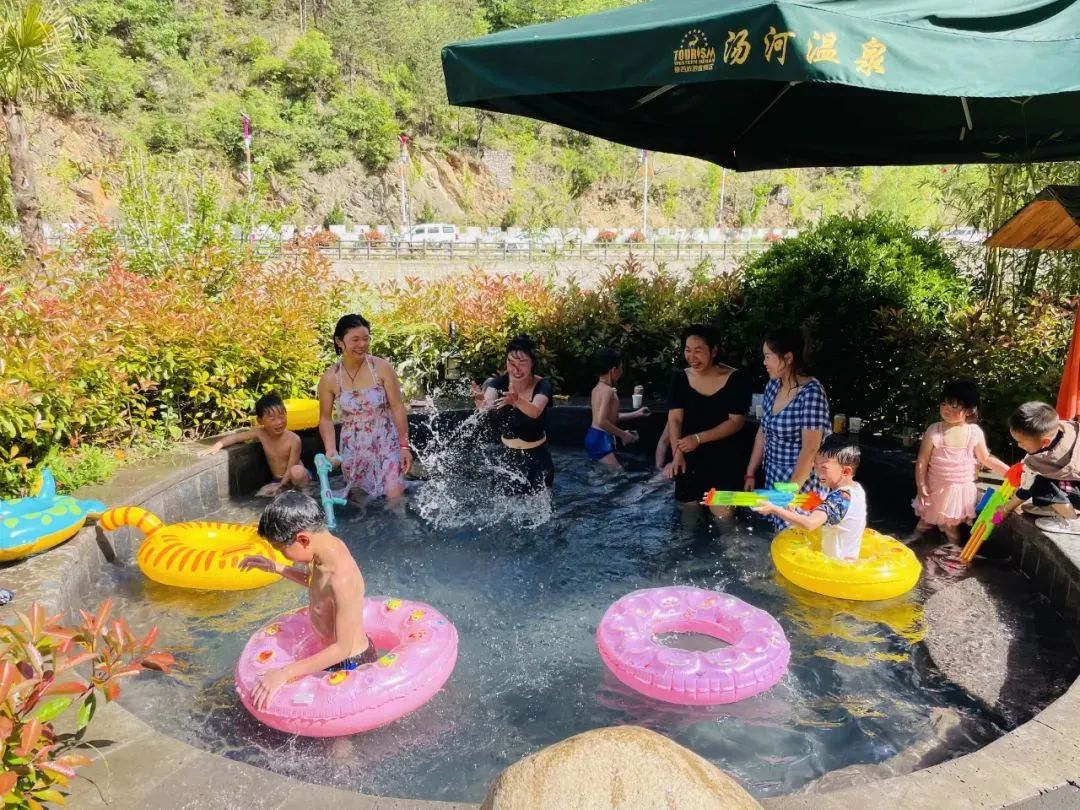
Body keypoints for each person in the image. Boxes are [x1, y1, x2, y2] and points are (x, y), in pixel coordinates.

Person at [239, 491, 377, 710]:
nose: (282, 555)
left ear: (303, 539)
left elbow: (342, 648)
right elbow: (316, 583)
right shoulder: (325, 550)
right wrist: (276, 567)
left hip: (349, 664)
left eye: (281, 550)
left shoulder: (342, 579)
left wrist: (284, 672)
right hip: (331, 655)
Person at [317, 314, 411, 502]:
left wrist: (404, 446)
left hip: (386, 440)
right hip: (353, 446)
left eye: (366, 338)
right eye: (355, 339)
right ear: (339, 341)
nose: (362, 344)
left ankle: (400, 520)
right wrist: (330, 449)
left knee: (395, 495)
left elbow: (398, 407)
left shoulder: (381, 368)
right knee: (360, 502)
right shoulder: (330, 378)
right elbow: (325, 419)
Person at [744, 328, 831, 527]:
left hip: (801, 484)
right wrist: (750, 471)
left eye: (768, 356)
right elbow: (763, 431)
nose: (764, 362)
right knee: (779, 536)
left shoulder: (811, 393)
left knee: (797, 537)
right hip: (774, 476)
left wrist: (790, 494)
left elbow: (810, 449)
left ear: (788, 358)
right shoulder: (773, 386)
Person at [664, 325, 752, 519]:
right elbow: (675, 419)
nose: (692, 357)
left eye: (698, 351)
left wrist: (698, 438)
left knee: (724, 517)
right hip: (689, 456)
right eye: (687, 350)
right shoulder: (680, 378)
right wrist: (677, 453)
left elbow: (736, 422)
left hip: (724, 458)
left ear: (714, 350)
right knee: (688, 515)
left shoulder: (736, 379)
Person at [913, 380, 1009, 542]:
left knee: (951, 528)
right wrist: (921, 484)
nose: (947, 410)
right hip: (935, 488)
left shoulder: (973, 432)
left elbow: (985, 458)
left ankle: (954, 552)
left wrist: (1009, 472)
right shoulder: (934, 430)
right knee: (925, 522)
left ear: (969, 410)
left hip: (959, 492)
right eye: (944, 404)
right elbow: (922, 459)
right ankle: (912, 544)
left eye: (954, 406)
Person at [754, 434, 866, 560]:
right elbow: (841, 514)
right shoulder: (856, 489)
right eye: (815, 464)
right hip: (849, 560)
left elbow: (810, 524)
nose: (817, 472)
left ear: (845, 471)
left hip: (835, 565)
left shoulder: (838, 499)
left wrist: (774, 509)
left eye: (824, 467)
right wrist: (811, 504)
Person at [479, 334, 555, 494]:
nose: (516, 369)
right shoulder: (498, 383)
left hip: (537, 459)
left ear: (532, 363)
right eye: (511, 363)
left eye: (522, 363)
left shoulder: (543, 385)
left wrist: (517, 401)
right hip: (506, 460)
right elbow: (488, 404)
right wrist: (482, 403)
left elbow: (535, 411)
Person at [199, 393, 310, 497]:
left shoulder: (294, 439)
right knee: (259, 495)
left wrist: (280, 486)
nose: (279, 422)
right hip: (278, 480)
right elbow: (236, 437)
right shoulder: (261, 433)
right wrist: (217, 445)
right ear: (260, 421)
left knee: (296, 471)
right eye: (272, 419)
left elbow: (291, 468)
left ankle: (307, 493)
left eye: (282, 416)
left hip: (297, 477)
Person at [1003, 402, 1080, 535]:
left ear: (1045, 442)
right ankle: (1058, 507)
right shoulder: (1068, 427)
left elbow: (1026, 489)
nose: (1019, 445)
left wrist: (1006, 509)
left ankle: (1072, 521)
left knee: (1039, 482)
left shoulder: (1037, 461)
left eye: (1021, 442)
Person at [586, 347, 649, 469]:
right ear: (613, 370)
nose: (622, 371)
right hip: (601, 439)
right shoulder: (608, 392)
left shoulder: (596, 389)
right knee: (617, 474)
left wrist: (637, 413)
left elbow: (608, 417)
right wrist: (623, 435)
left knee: (601, 474)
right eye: (621, 367)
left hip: (593, 436)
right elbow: (602, 421)